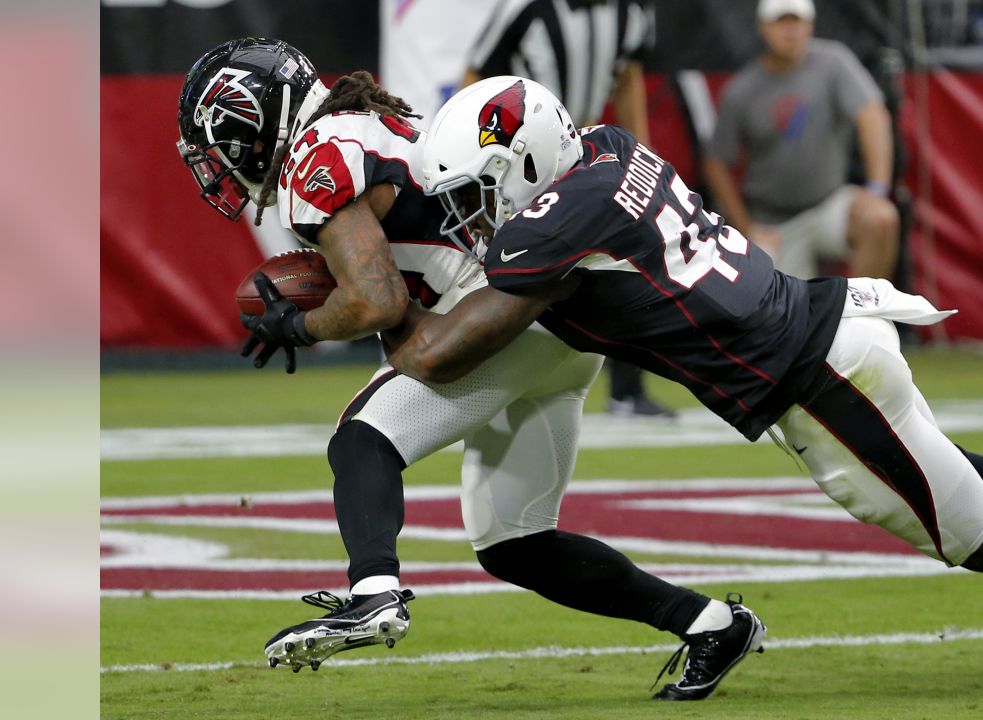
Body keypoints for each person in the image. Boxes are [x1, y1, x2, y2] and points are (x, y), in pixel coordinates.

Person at [384, 75, 983, 658]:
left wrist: (362, 300)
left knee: (979, 536)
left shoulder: (552, 227)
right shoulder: (608, 150)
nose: (470, 217)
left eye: (477, 193)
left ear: (523, 165)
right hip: (828, 325)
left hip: (811, 377)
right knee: (944, 469)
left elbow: (437, 355)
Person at [178, 38, 765, 698]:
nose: (221, 162)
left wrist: (302, 323)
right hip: (552, 325)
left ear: (253, 121)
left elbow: (379, 299)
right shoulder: (362, 122)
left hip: (499, 315)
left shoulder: (315, 160)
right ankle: (712, 623)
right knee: (513, 540)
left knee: (364, 438)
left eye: (222, 141)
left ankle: (373, 592)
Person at [465, 0, 676, 418]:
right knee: (516, 269)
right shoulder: (523, 8)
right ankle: (486, 379)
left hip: (586, 154)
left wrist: (641, 153)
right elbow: (476, 78)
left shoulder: (631, 10)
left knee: (624, 260)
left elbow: (628, 77)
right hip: (520, 163)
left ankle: (626, 388)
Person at [702, 0, 899, 281]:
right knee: (781, 315)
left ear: (810, 25)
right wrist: (745, 226)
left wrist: (877, 188)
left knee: (880, 218)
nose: (790, 31)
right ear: (763, 28)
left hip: (828, 204)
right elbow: (716, 162)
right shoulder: (740, 90)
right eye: (781, 21)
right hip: (772, 223)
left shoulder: (834, 61)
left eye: (796, 21)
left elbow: (873, 116)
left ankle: (864, 314)